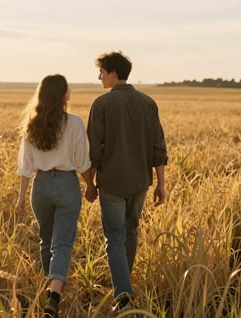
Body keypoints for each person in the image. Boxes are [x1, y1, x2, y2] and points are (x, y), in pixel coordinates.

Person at [86, 51, 168, 314]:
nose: (99, 77)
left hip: (111, 182)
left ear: (112, 73)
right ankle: (124, 288)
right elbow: (159, 147)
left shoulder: (102, 104)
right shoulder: (148, 103)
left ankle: (122, 295)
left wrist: (89, 183)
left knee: (114, 237)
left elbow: (93, 152)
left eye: (101, 72)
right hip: (140, 182)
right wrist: (161, 184)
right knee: (130, 233)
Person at [15, 74, 97, 317]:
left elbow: (26, 166)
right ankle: (54, 295)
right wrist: (91, 186)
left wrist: (21, 197)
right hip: (67, 186)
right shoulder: (74, 123)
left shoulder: (31, 124)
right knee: (61, 244)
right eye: (67, 87)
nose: (71, 89)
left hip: (40, 188)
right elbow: (82, 163)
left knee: (46, 241)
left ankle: (49, 286)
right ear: (62, 95)